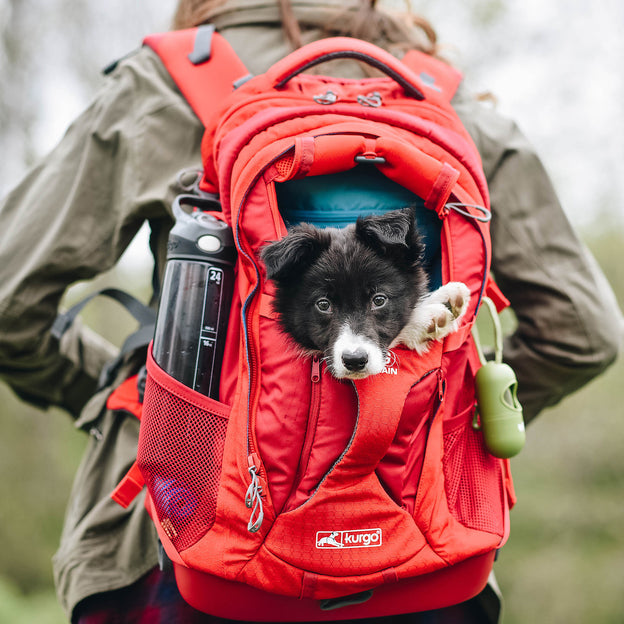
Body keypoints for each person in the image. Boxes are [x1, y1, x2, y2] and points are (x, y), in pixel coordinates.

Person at [0, 0, 621, 622]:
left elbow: (8, 305)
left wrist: (158, 413)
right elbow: (583, 332)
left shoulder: (159, 85)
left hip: (183, 534)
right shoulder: (448, 107)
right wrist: (446, 417)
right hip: (423, 549)